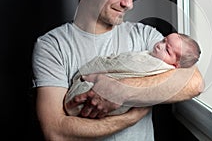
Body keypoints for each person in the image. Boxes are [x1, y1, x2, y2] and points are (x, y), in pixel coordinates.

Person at [32, 0, 204, 141]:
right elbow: (55, 132)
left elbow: (194, 83)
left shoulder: (145, 36)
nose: (128, 4)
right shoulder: (52, 46)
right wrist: (128, 119)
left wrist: (121, 90)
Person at [64, 32, 201, 117]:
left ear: (175, 65)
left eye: (168, 50)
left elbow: (124, 65)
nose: (160, 45)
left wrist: (96, 75)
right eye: (164, 40)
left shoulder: (156, 64)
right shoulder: (156, 54)